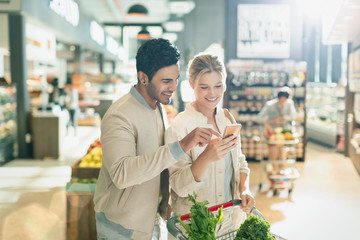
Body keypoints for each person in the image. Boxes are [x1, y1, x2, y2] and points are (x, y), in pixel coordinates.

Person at [93, 39, 221, 240]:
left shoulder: (156, 106)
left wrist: (164, 206)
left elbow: (156, 164)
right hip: (121, 228)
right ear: (143, 78)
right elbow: (121, 173)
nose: (173, 86)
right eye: (165, 81)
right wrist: (182, 146)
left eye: (176, 79)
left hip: (149, 222)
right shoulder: (119, 115)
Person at [165, 53, 255, 236]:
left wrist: (244, 189)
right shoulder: (180, 127)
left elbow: (240, 162)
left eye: (218, 86)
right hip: (195, 227)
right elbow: (178, 186)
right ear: (191, 84)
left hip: (231, 222)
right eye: (204, 87)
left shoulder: (227, 119)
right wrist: (206, 157)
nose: (212, 94)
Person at [257, 87, 296, 172]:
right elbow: (260, 117)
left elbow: (293, 116)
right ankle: (274, 169)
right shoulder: (270, 105)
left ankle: (281, 170)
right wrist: (267, 125)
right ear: (278, 98)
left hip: (284, 131)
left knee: (282, 149)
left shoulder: (289, 104)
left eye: (284, 100)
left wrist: (282, 118)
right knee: (273, 149)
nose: (282, 102)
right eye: (281, 100)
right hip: (272, 131)